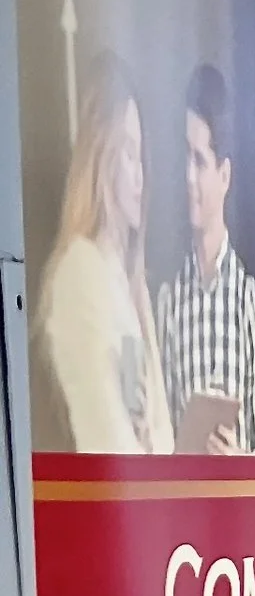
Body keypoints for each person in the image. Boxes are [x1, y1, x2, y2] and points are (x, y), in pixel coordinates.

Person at [33, 51, 172, 453]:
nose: (140, 174)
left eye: (140, 155)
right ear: (101, 153)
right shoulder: (80, 274)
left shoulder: (125, 285)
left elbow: (159, 438)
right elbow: (106, 444)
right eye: (128, 152)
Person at [156, 63, 255, 455]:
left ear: (224, 175)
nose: (189, 177)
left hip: (234, 511)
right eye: (185, 158)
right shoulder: (169, 301)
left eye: (200, 161)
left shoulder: (245, 300)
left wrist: (238, 460)